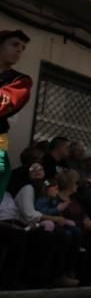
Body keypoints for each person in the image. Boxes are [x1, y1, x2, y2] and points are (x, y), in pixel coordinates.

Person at [0, 29, 32, 197]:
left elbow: (6, 102)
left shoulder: (20, 80)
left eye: (22, 47)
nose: (19, 50)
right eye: (14, 44)